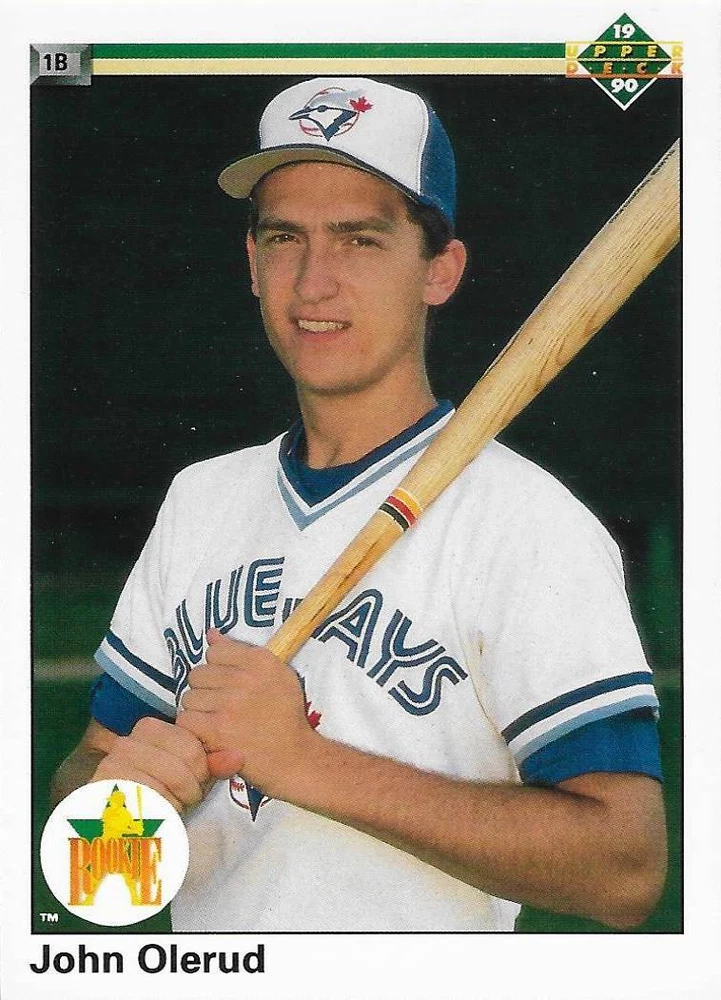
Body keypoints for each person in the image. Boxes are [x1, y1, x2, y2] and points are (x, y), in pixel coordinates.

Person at [52, 76, 666, 932]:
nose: (313, 283)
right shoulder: (202, 499)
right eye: (285, 238)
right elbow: (92, 776)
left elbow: (625, 867)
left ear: (439, 271)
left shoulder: (527, 523)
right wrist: (111, 810)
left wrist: (302, 762)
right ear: (251, 263)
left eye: (359, 240)